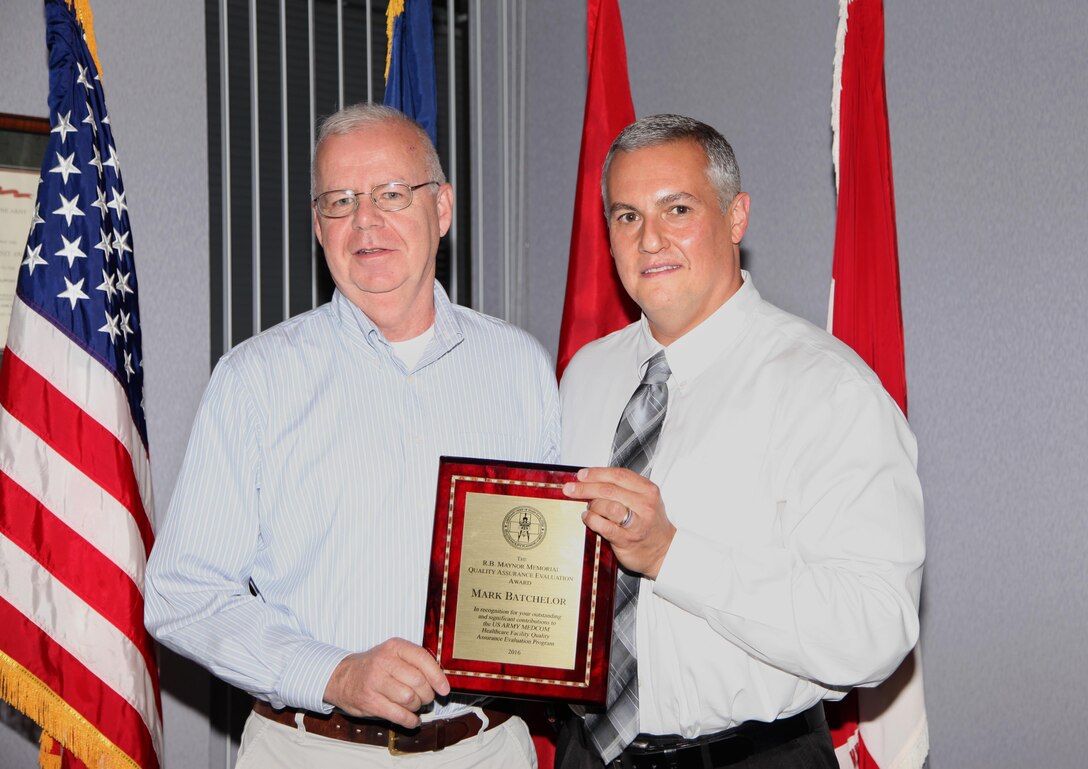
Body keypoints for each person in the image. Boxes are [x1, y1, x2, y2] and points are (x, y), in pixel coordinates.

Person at [145, 103, 559, 769]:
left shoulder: (521, 368)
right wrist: (334, 674)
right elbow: (181, 594)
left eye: (393, 194)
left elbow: (545, 568)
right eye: (340, 201)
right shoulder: (254, 379)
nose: (366, 221)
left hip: (487, 750)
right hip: (310, 750)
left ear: (442, 209)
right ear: (318, 225)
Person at [556, 114, 924, 769]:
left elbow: (876, 631)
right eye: (627, 216)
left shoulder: (827, 388)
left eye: (677, 209)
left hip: (748, 756)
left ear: (736, 217)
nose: (650, 240)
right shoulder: (585, 375)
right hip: (586, 752)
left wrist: (672, 554)